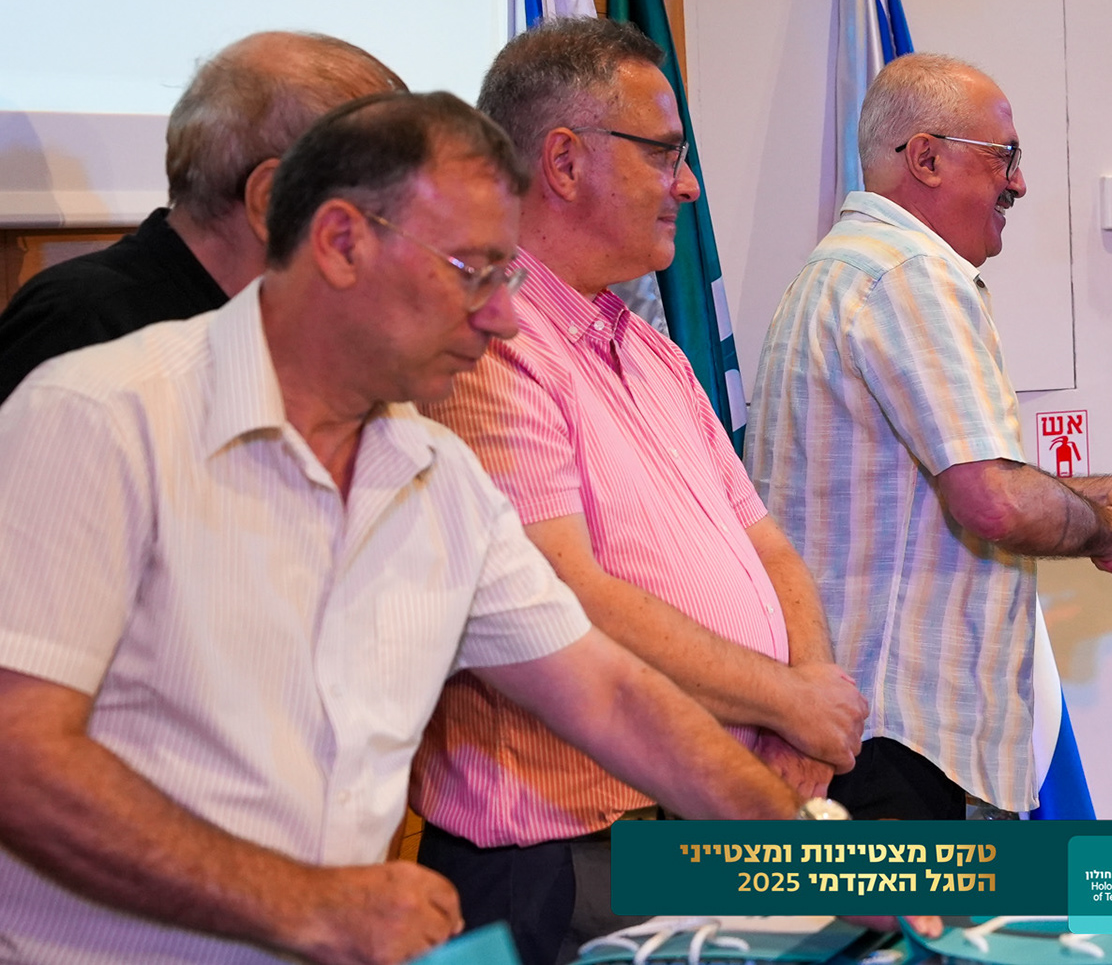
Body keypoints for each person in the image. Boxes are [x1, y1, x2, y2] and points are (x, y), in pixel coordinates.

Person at [0, 91, 802, 965]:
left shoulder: (438, 475)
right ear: (342, 242)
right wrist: (305, 904)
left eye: (507, 278)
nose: (502, 319)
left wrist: (825, 868)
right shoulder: (100, 417)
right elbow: (17, 753)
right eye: (473, 271)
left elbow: (611, 697)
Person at [409, 19, 867, 963]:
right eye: (664, 153)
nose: (687, 184)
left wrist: (806, 707)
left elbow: (766, 545)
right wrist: (786, 701)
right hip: (565, 862)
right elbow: (567, 598)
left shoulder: (649, 348)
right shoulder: (489, 349)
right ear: (564, 161)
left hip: (700, 822)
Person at [747, 53, 1112, 820]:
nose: (1018, 183)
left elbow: (942, 480)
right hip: (890, 738)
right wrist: (1111, 531)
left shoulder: (843, 267)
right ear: (925, 158)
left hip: (851, 724)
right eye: (1004, 157)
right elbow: (992, 500)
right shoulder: (911, 272)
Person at [0, 31, 403, 403]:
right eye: (383, 205)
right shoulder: (82, 326)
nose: (401, 239)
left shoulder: (300, 331)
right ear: (273, 201)